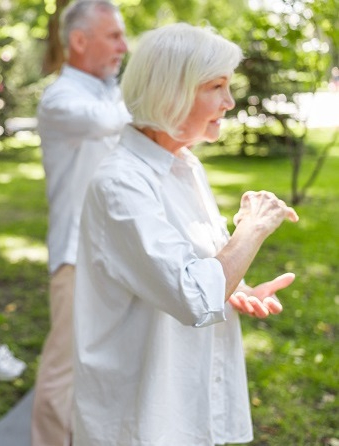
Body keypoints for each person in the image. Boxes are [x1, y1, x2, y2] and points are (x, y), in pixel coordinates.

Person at [72, 23, 299, 445]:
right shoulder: (121, 183)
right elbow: (193, 294)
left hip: (182, 401)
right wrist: (252, 230)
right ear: (170, 91)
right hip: (139, 417)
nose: (229, 102)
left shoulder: (183, 164)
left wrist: (237, 286)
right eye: (216, 86)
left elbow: (194, 270)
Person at [32, 1, 130, 444]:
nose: (123, 47)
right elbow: (111, 123)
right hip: (77, 256)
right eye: (114, 36)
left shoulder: (112, 91)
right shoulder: (60, 98)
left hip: (122, 253)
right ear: (78, 41)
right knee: (63, 372)